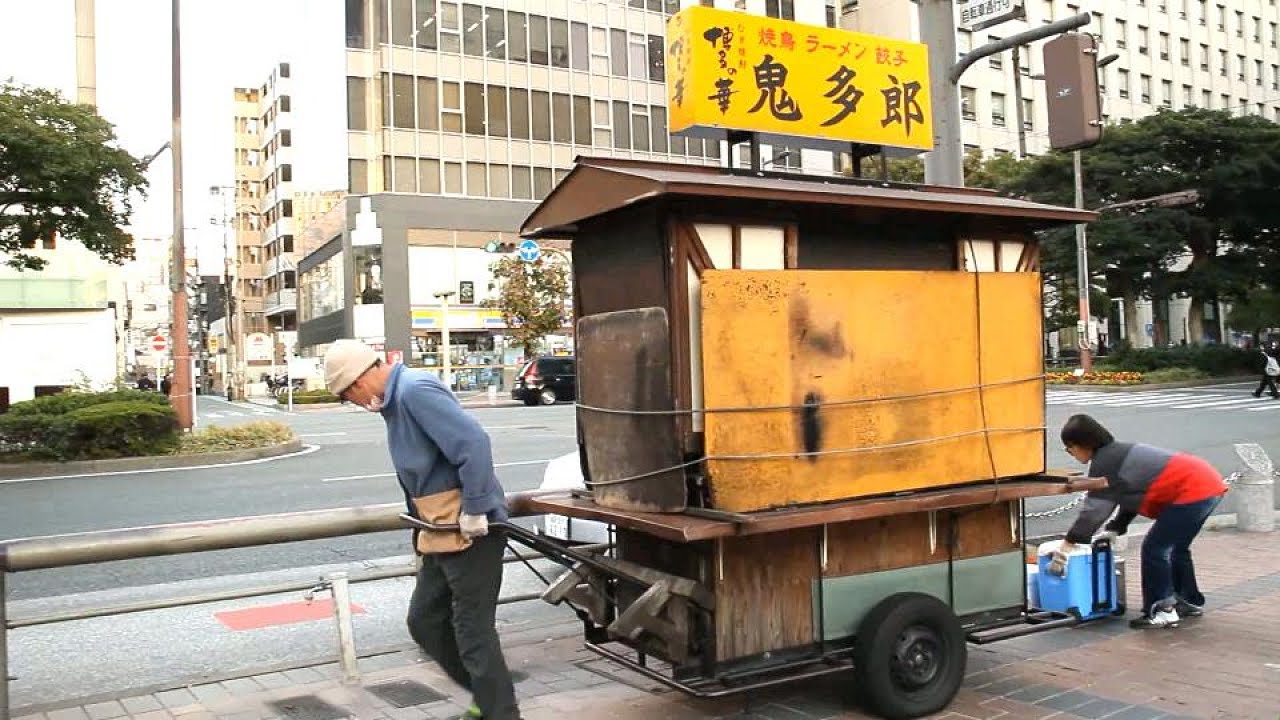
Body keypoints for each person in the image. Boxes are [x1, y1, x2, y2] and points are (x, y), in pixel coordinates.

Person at [323, 339, 520, 720]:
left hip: (471, 530)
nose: (353, 400)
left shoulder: (414, 390)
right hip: (439, 529)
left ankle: (500, 711)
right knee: (425, 620)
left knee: (472, 630)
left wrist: (477, 509)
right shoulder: (393, 403)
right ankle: (489, 695)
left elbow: (473, 443)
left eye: (349, 391)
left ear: (362, 375)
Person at [1050, 414, 1228, 629]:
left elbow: (1095, 509)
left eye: (1069, 448)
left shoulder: (1106, 461)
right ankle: (1187, 600)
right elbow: (1129, 496)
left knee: (1156, 549)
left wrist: (1068, 544)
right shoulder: (1117, 453)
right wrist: (1117, 527)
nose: (1071, 453)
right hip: (1208, 484)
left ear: (1081, 444)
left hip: (1192, 491)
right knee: (1177, 548)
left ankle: (1162, 610)